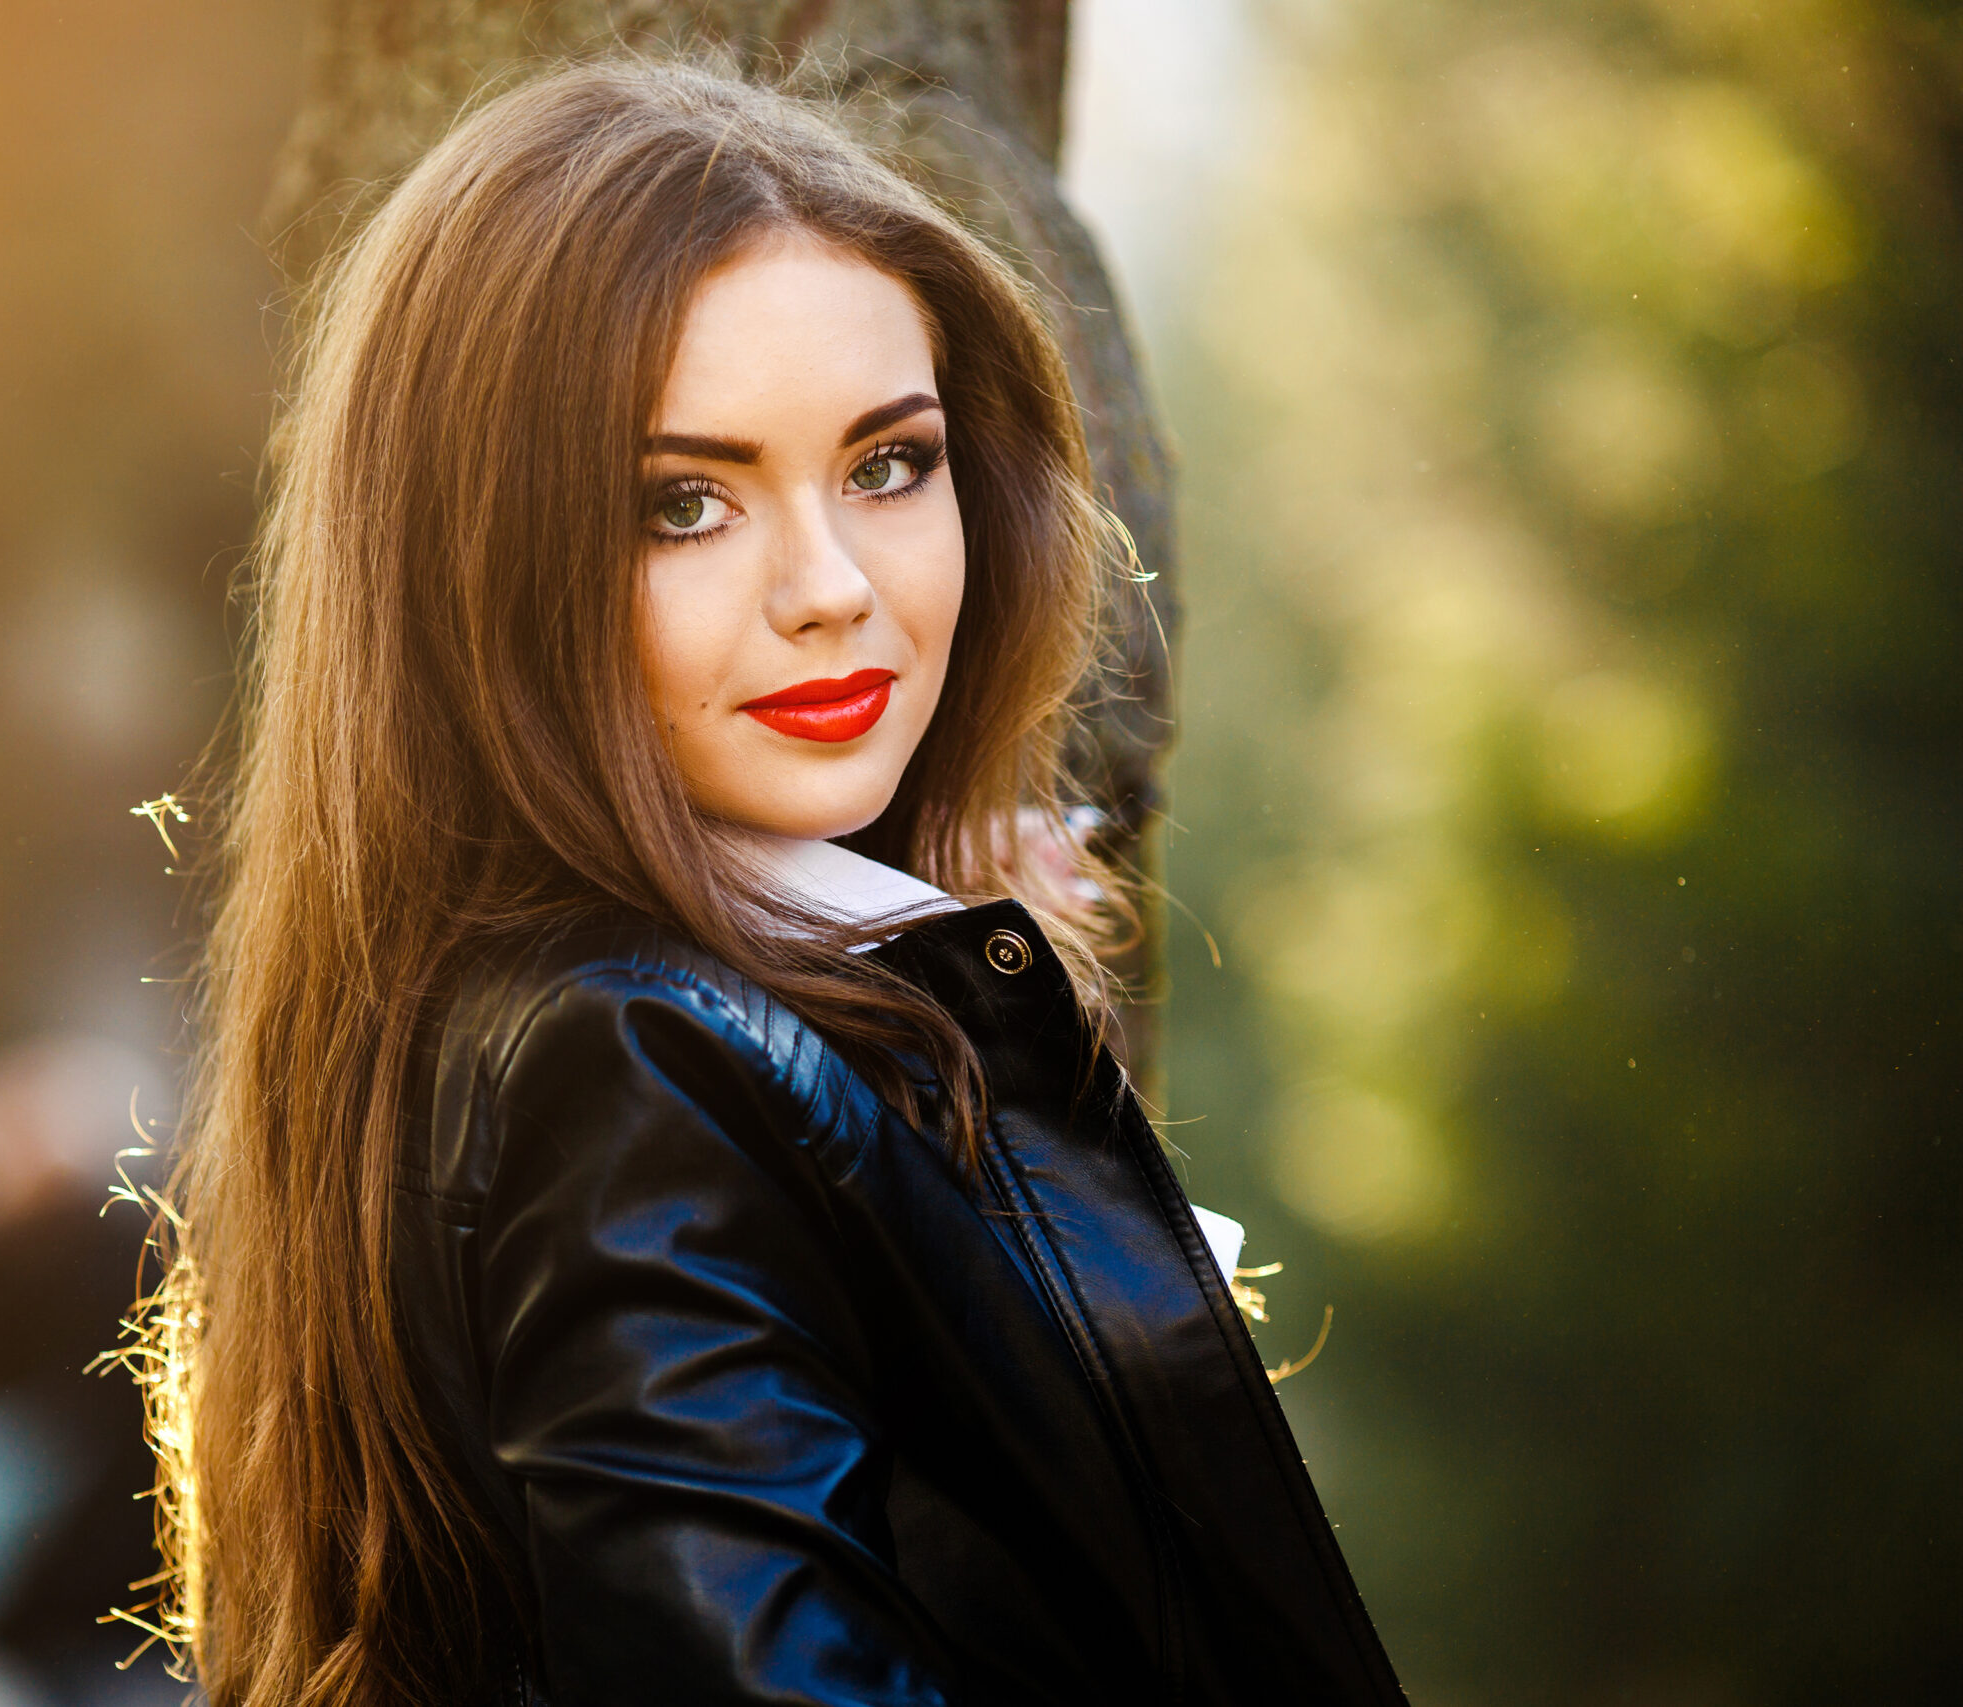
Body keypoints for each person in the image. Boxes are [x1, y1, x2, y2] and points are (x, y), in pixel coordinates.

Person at [132, 57, 1408, 1707]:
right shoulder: (634, 1069)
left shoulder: (617, 1017)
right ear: (489, 571)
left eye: (889, 465)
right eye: (686, 504)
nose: (830, 590)